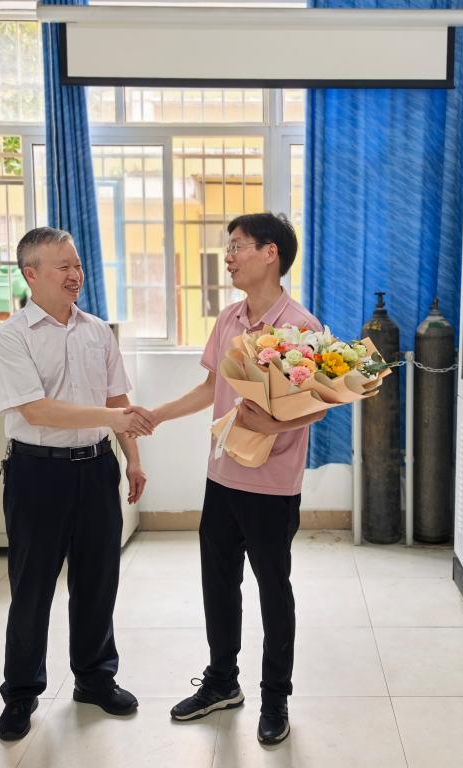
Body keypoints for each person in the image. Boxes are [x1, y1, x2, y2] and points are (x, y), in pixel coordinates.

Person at [144, 212, 324, 746]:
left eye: (238, 246)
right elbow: (210, 389)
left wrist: (275, 424)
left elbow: (318, 404)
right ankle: (222, 682)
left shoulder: (301, 326)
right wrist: (157, 415)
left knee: (273, 590)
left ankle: (276, 698)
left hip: (271, 482)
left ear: (270, 253)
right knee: (218, 584)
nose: (228, 257)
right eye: (229, 247)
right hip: (222, 475)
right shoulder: (229, 319)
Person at [0, 226, 154, 742]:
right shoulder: (10, 338)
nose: (75, 274)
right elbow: (37, 410)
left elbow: (118, 401)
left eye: (77, 264)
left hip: (97, 468)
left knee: (98, 579)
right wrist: (114, 419)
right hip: (38, 473)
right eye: (63, 266)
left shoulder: (97, 331)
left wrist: (133, 460)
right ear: (31, 274)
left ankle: (95, 678)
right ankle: (21, 694)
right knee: (32, 587)